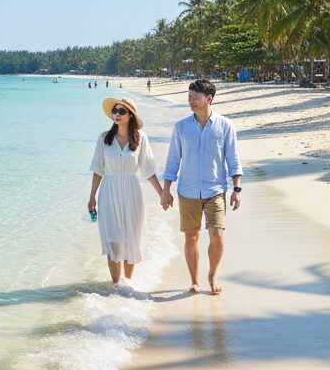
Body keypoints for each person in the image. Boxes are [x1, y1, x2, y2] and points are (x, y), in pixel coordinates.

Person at [161, 78, 242, 295]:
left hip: (215, 190)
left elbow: (233, 160)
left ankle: (212, 275)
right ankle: (195, 281)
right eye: (189, 97)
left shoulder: (225, 126)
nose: (191, 101)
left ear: (209, 99)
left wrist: (237, 189)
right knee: (192, 236)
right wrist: (165, 190)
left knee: (217, 235)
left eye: (195, 98)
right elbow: (172, 161)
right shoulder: (181, 127)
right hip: (187, 191)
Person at [87, 96, 164, 285]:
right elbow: (98, 170)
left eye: (122, 111)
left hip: (131, 191)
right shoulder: (104, 138)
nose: (117, 114)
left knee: (131, 239)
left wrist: (162, 194)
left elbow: (148, 170)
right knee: (113, 240)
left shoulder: (141, 138)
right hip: (109, 191)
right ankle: (116, 285)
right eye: (115, 110)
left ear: (130, 115)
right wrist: (92, 197)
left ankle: (127, 285)